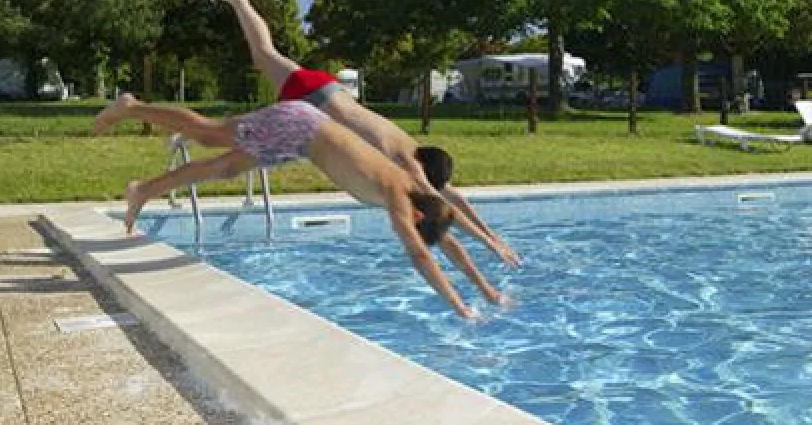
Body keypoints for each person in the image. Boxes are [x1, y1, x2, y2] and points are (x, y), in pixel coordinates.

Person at [93, 94, 508, 319]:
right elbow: (420, 254)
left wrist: (485, 289)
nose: (407, 231)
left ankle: (142, 191)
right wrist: (459, 305)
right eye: (413, 227)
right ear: (416, 217)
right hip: (299, 126)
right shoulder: (401, 197)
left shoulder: (425, 195)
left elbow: (446, 238)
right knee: (209, 134)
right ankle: (131, 107)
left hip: (299, 139)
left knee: (222, 167)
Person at [217, 0, 521, 267]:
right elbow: (444, 205)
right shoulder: (408, 163)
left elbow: (454, 196)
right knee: (264, 54)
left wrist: (494, 238)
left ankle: (241, 1)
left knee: (267, 55)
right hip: (312, 98)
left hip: (330, 93)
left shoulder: (411, 147)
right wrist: (490, 245)